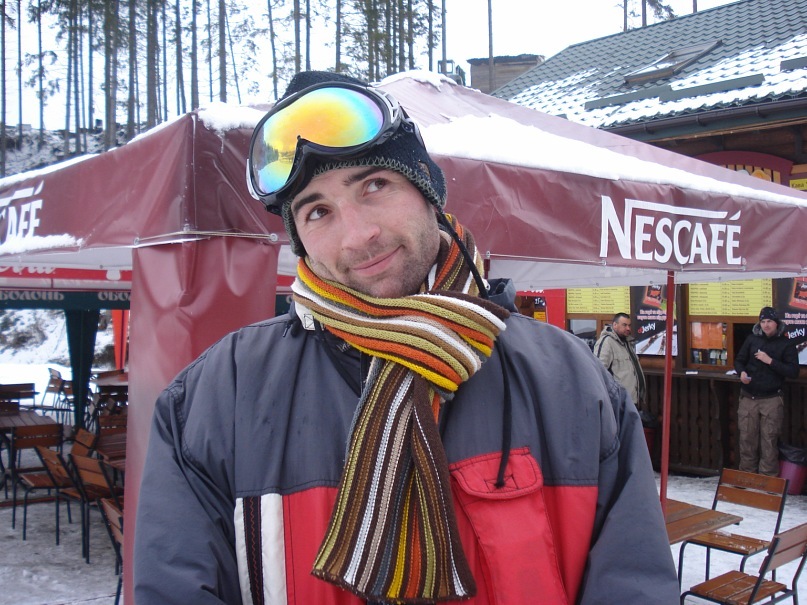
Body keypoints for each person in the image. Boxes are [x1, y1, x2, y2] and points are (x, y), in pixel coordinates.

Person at [133, 71, 679, 604]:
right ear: (299, 240)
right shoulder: (215, 400)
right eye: (318, 211)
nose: (358, 235)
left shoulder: (572, 384)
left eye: (374, 185)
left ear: (427, 192)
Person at [734, 306, 798, 476]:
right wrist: (741, 373)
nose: (766, 325)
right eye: (763, 321)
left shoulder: (786, 343)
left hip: (772, 398)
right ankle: (747, 478)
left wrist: (770, 361)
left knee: (769, 442)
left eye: (769, 321)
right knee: (747, 440)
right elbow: (739, 360)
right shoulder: (751, 339)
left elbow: (793, 371)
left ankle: (767, 481)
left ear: (776, 323)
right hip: (748, 397)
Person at [594, 312, 647, 409]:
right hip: (618, 402)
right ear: (615, 325)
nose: (628, 328)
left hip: (632, 399)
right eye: (624, 325)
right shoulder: (606, 342)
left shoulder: (627, 342)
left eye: (629, 325)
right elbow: (598, 371)